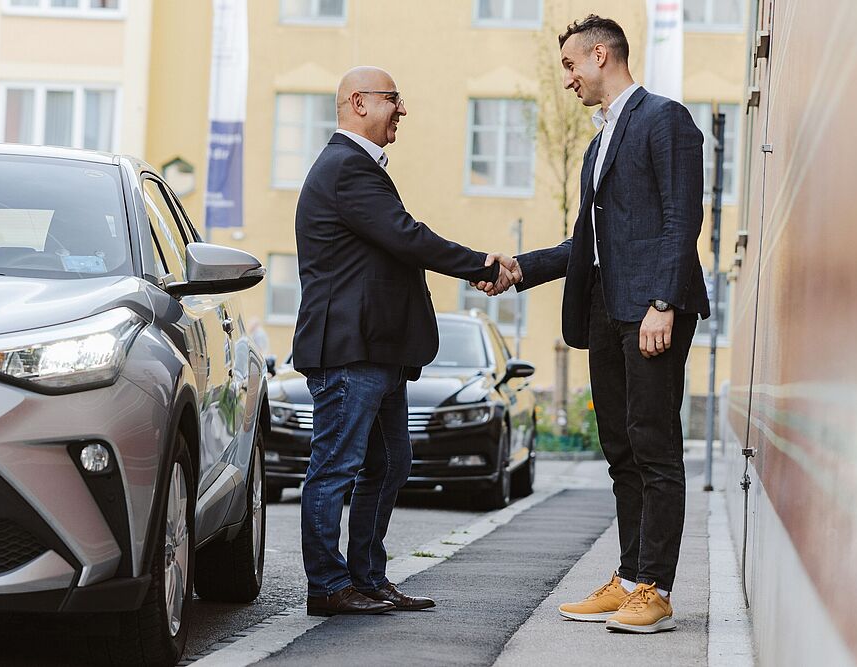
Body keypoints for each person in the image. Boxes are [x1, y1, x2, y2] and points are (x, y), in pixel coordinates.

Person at [480, 15, 709, 634]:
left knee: (654, 443)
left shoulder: (666, 119)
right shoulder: (599, 140)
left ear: (600, 55)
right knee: (620, 445)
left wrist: (662, 302)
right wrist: (517, 268)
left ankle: (656, 591)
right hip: (606, 309)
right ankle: (632, 578)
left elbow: (682, 217)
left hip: (650, 310)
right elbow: (586, 242)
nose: (567, 80)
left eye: (570, 66)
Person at [294, 65, 520, 617]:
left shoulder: (355, 168)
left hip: (378, 351)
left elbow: (395, 244)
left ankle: (367, 579)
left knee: (390, 464)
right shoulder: (348, 168)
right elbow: (407, 236)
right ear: (359, 102)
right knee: (335, 468)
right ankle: (329, 586)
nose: (402, 109)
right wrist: (481, 264)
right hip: (351, 351)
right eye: (393, 98)